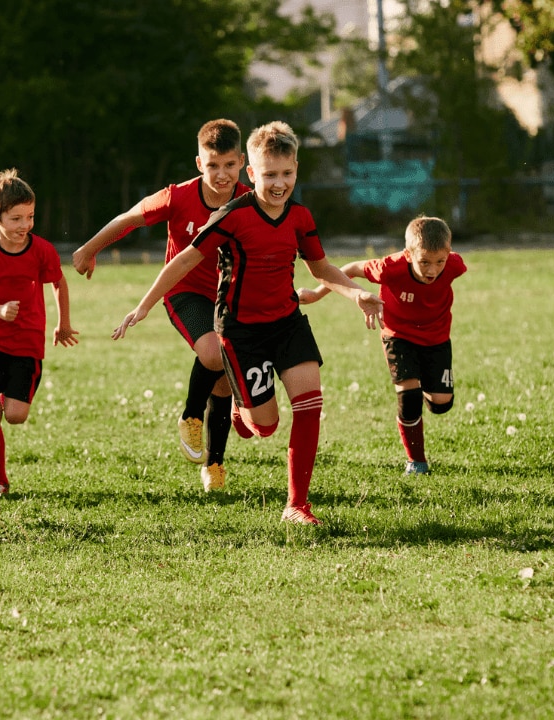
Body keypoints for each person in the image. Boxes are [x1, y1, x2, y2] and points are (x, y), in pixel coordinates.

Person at [113, 122, 383, 525]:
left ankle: (296, 505)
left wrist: (355, 293)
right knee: (267, 426)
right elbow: (185, 259)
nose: (279, 183)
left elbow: (321, 266)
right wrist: (145, 305)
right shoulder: (232, 215)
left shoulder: (301, 217)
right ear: (251, 173)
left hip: (287, 322)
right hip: (241, 333)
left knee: (310, 405)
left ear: (296, 169)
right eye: (269, 175)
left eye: (287, 174)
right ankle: (242, 408)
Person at [73, 120, 249, 492]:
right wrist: (89, 248)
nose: (221, 174)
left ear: (242, 163)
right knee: (214, 354)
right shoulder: (178, 197)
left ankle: (215, 465)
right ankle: (189, 415)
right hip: (183, 291)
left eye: (229, 165)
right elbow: (129, 218)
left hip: (230, 298)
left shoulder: (249, 201)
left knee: (222, 386)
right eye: (213, 165)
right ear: (199, 163)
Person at [299, 216, 466, 475]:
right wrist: (316, 294)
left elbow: (445, 262)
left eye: (439, 262)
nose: (432, 270)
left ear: (448, 254)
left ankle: (424, 388)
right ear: (408, 255)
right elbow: (352, 268)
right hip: (398, 335)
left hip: (436, 339)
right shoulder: (390, 268)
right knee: (409, 398)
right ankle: (416, 462)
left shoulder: (455, 265)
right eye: (424, 262)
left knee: (441, 404)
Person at [0, 169, 78, 499]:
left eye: (30, 217)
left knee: (16, 415)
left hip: (26, 341)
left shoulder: (41, 250)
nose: (24, 225)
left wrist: (62, 323)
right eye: (15, 219)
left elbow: (59, 283)